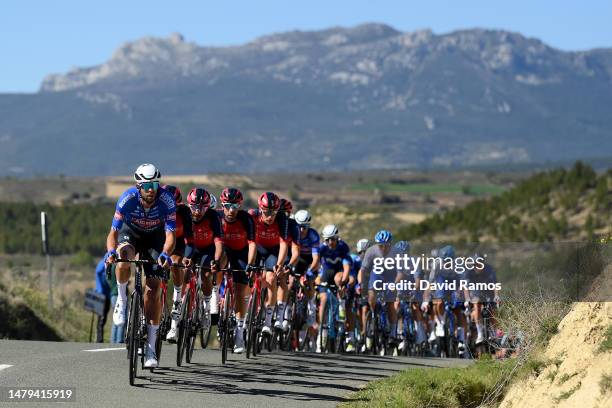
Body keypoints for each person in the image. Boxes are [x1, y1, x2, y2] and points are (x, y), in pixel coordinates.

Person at [104, 163, 176, 368]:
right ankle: (122, 299)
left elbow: (171, 236)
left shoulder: (166, 200)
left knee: (152, 289)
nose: (151, 189)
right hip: (131, 233)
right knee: (123, 257)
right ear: (138, 185)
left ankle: (151, 347)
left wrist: (165, 253)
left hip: (155, 237)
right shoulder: (127, 198)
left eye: (155, 184)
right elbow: (113, 233)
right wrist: (111, 252)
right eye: (147, 185)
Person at [218, 187, 257, 353]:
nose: (231, 210)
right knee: (216, 265)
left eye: (235, 206)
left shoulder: (246, 219)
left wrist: (250, 264)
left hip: (241, 253)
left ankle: (240, 334)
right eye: (227, 206)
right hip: (224, 250)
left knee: (241, 291)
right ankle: (214, 298)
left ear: (240, 206)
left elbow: (252, 244)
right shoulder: (217, 217)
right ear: (222, 205)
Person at [248, 192, 291, 336]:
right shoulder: (252, 215)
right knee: (249, 277)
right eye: (266, 212)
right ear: (260, 209)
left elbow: (284, 244)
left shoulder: (282, 219)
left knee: (271, 279)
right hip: (257, 248)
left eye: (273, 212)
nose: (270, 216)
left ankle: (267, 321)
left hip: (273, 251)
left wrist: (279, 264)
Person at [183, 188, 224, 326]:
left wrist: (216, 260)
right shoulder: (185, 214)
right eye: (194, 207)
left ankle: (207, 306)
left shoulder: (214, 217)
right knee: (182, 271)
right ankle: (181, 305)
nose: (197, 211)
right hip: (190, 248)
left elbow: (218, 242)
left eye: (202, 208)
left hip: (207, 249)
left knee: (206, 275)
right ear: (189, 205)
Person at [358, 229, 401, 351]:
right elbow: (364, 270)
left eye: (385, 245)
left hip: (390, 277)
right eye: (380, 245)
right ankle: (372, 316)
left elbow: (400, 273)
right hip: (376, 276)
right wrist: (362, 283)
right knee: (371, 295)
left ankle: (393, 332)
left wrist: (394, 284)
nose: (383, 248)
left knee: (390, 304)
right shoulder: (371, 252)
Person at [162, 185, 195, 342]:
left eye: (173, 205)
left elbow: (190, 240)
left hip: (179, 243)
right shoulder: (156, 209)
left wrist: (187, 257)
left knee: (175, 264)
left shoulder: (184, 212)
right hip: (159, 242)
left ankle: (177, 298)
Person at [316, 224, 352, 353]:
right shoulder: (322, 248)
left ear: (337, 238)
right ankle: (322, 331)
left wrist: (344, 280)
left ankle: (341, 305)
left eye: (332, 239)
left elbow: (347, 266)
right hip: (326, 274)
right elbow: (315, 263)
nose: (330, 242)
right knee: (323, 300)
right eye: (327, 240)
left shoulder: (343, 247)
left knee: (339, 280)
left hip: (338, 273)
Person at [294, 209, 320, 350]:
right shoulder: (293, 232)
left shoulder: (313, 235)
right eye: (300, 226)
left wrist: (309, 272)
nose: (302, 229)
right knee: (291, 280)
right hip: (297, 258)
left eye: (305, 226)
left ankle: (310, 306)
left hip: (309, 260)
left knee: (310, 281)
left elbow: (316, 259)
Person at [94, 258, 111, 343]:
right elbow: (97, 272)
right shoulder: (102, 263)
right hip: (101, 294)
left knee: (103, 318)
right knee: (101, 318)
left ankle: (99, 338)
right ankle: (99, 339)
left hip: (107, 295)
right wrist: (100, 287)